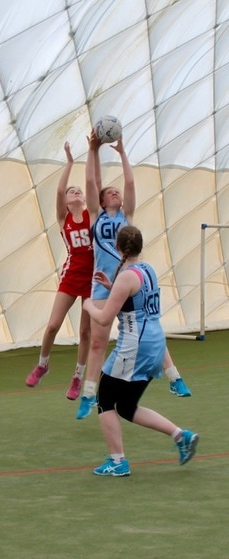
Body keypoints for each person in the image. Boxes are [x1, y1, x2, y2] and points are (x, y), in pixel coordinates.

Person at [76, 133, 191, 420]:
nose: (116, 193)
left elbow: (130, 183)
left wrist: (123, 153)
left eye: (117, 192)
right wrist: (92, 150)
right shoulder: (96, 216)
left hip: (128, 281)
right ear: (102, 199)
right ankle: (88, 395)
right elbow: (90, 182)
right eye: (110, 192)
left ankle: (175, 378)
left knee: (149, 327)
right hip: (103, 285)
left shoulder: (126, 217)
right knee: (98, 343)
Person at [83, 225, 199, 476]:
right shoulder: (147, 270)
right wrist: (112, 285)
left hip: (135, 346)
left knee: (104, 400)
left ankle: (118, 461)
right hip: (155, 344)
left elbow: (103, 318)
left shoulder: (126, 277)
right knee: (126, 406)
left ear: (116, 247)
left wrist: (88, 305)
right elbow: (135, 297)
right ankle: (181, 436)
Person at [25, 136, 100, 399]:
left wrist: (92, 152)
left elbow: (93, 184)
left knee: (85, 331)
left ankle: (77, 377)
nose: (75, 191)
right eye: (72, 191)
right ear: (66, 201)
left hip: (92, 278)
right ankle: (42, 364)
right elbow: (58, 192)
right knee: (53, 325)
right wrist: (69, 163)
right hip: (71, 275)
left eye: (78, 190)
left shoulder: (92, 214)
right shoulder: (63, 218)